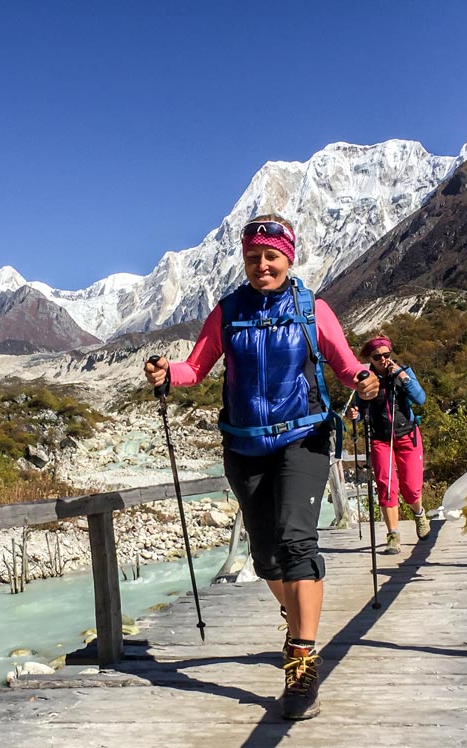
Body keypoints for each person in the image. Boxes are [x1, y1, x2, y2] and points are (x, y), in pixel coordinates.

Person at [144, 214, 378, 720]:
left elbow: (342, 361)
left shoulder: (312, 308)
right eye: (253, 257)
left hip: (304, 437)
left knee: (297, 543)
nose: (262, 264)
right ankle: (295, 612)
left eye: (271, 256)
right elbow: (195, 367)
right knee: (267, 558)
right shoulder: (227, 311)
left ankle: (301, 660)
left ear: (288, 258)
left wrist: (363, 377)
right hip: (244, 445)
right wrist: (167, 375)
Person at [349, 335, 429, 555]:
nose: (383, 359)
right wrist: (354, 415)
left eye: (386, 355)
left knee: (411, 488)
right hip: (380, 439)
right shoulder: (367, 379)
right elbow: (360, 409)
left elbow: (420, 399)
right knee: (386, 486)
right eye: (378, 357)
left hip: (407, 436)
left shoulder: (403, 373)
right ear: (370, 359)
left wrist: (402, 376)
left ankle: (419, 513)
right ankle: (393, 535)